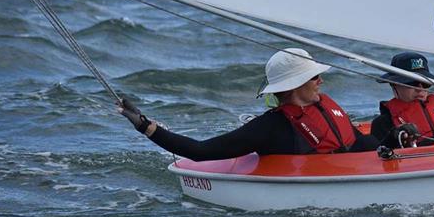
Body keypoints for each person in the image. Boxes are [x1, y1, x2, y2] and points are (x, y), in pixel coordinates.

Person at [118, 48, 393, 160]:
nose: (321, 81)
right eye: (314, 77)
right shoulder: (270, 127)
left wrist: (395, 141)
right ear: (295, 85)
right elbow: (201, 151)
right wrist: (146, 127)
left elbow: (357, 143)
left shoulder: (325, 109)